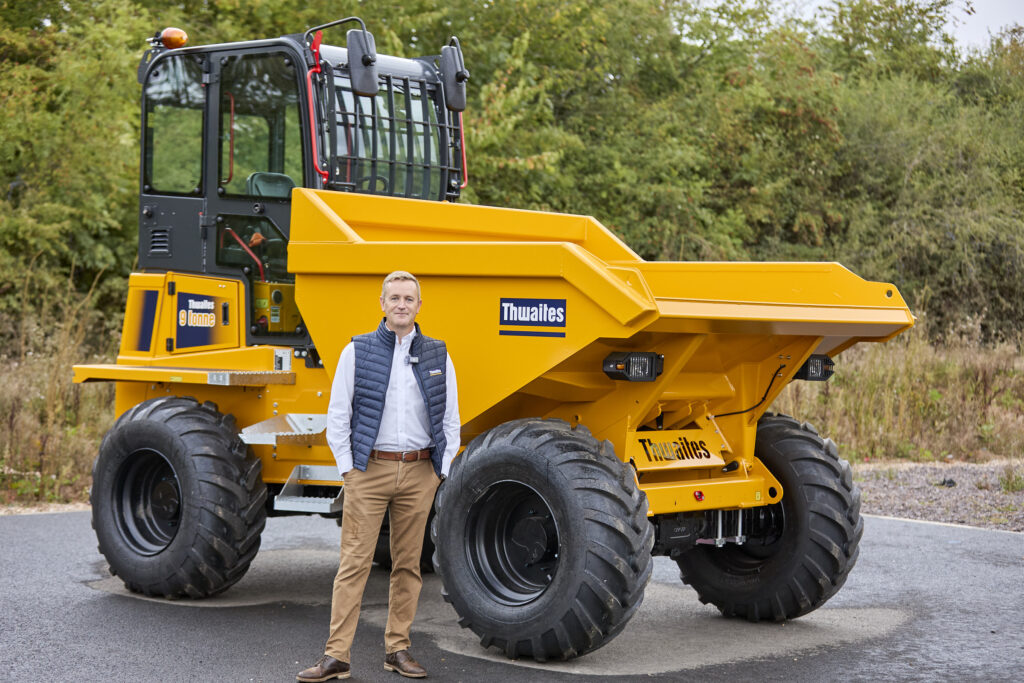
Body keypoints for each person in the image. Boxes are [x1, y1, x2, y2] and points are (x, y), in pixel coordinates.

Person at [298, 271, 460, 681]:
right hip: (368, 471)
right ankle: (337, 656)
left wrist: (441, 470)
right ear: (382, 304)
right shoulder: (358, 351)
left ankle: (398, 650)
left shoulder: (439, 354)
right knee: (353, 564)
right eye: (395, 298)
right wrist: (348, 471)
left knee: (408, 567)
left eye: (409, 298)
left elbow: (451, 420)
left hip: (420, 471)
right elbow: (339, 416)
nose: (402, 304)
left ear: (419, 306)